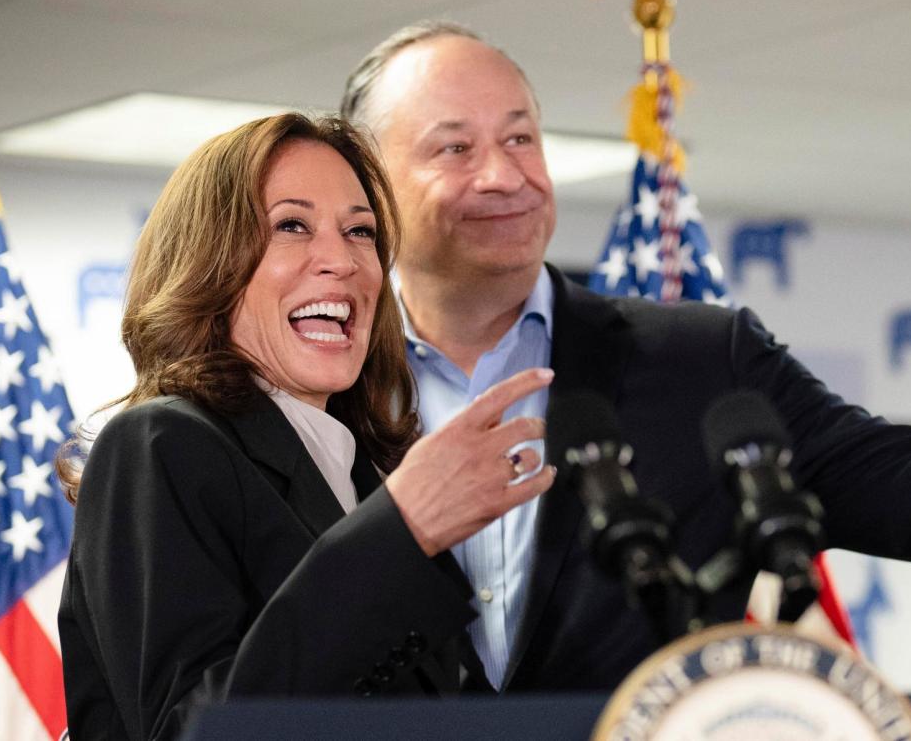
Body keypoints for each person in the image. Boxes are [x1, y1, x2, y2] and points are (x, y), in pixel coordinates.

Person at [337, 22, 911, 693]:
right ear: (370, 184)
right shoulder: (313, 386)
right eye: (454, 149)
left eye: (520, 137)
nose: (504, 174)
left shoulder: (701, 363)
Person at [57, 114, 555, 740]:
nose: (342, 261)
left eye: (360, 232)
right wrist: (401, 532)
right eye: (292, 225)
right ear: (210, 263)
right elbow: (192, 728)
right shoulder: (161, 444)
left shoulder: (362, 476)